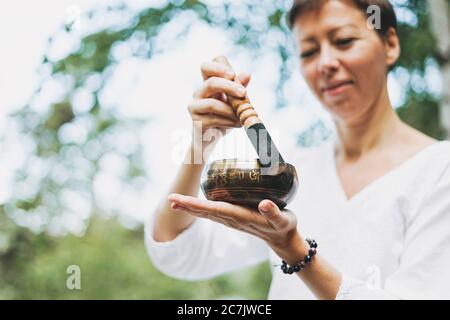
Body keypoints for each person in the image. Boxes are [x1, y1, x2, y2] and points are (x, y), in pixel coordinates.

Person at [145, 0, 450, 299]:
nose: (325, 63)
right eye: (309, 51)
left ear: (390, 45)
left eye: (344, 41)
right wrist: (201, 143)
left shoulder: (439, 169)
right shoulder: (292, 175)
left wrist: (293, 251)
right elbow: (177, 251)